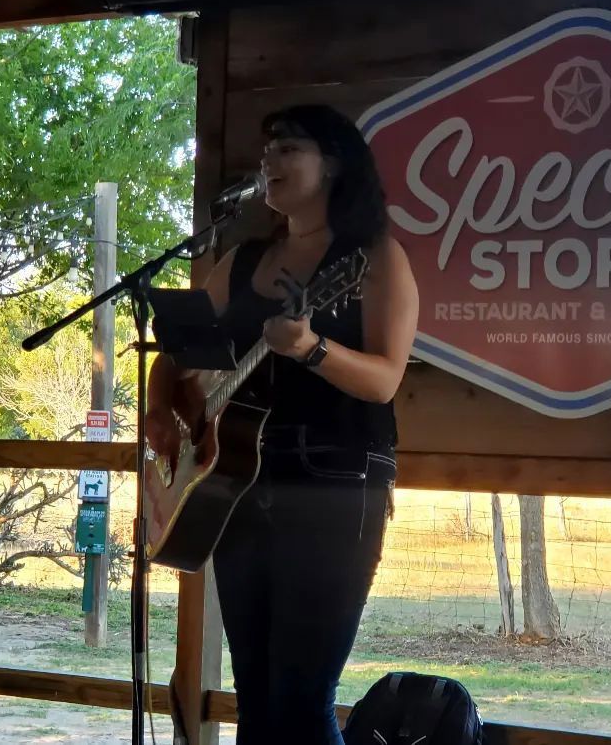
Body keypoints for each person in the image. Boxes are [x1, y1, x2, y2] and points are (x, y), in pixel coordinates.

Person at [145, 103, 419, 744]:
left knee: (301, 696)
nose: (268, 160)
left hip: (334, 483)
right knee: (258, 696)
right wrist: (162, 408)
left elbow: (385, 379)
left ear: (334, 165)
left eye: (288, 148)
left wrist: (311, 349)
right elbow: (181, 353)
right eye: (266, 150)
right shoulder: (241, 262)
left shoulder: (372, 257)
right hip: (236, 487)